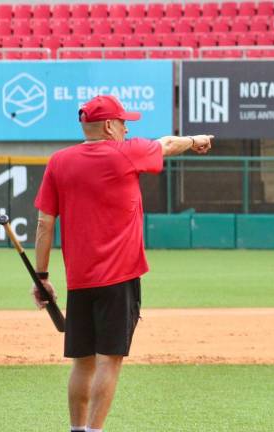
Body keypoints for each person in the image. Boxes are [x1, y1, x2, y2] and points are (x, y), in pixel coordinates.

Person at [32, 95, 214, 432]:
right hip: (119, 279)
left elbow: (45, 224)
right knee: (109, 361)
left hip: (80, 280)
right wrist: (195, 140)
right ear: (108, 126)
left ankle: (76, 429)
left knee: (82, 363)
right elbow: (168, 143)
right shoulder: (125, 152)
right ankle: (94, 430)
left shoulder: (58, 161)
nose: (127, 127)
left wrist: (41, 277)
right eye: (123, 122)